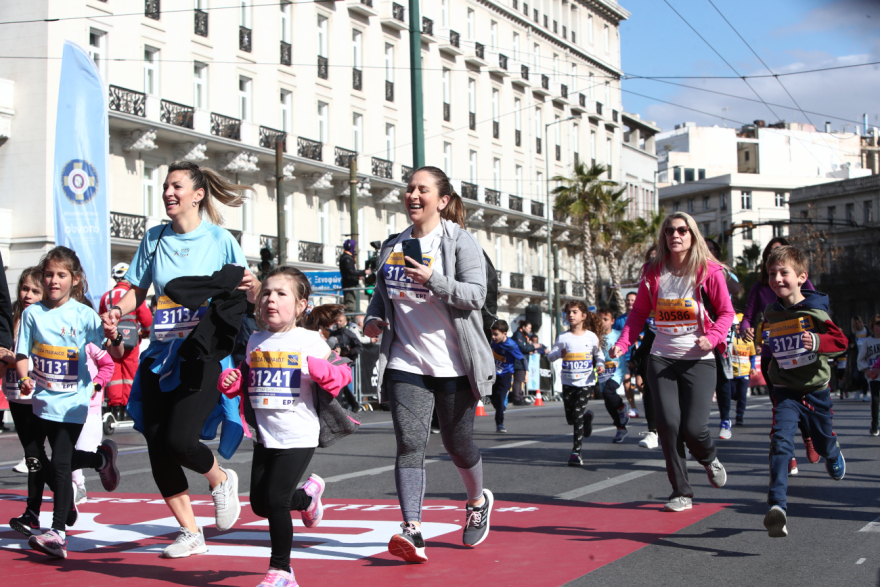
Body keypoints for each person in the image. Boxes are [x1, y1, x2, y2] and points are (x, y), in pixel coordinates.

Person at [100, 161, 257, 558]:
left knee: (181, 440)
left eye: (177, 186)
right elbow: (138, 288)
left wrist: (255, 288)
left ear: (198, 194)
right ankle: (190, 532)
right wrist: (120, 310)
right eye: (166, 186)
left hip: (202, 355)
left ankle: (220, 479)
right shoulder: (153, 239)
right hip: (160, 355)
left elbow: (246, 290)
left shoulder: (220, 240)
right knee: (156, 444)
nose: (169, 193)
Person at [364, 166, 495, 563]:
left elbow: (477, 295)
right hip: (406, 359)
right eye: (409, 189)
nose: (414, 196)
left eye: (423, 190)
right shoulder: (392, 245)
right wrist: (373, 317)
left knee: (457, 444)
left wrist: (434, 279)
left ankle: (476, 501)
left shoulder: (460, 242)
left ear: (442, 200)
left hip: (455, 362)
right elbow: (380, 293)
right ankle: (412, 530)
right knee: (409, 443)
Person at [218, 268, 349, 587]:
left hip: (298, 434)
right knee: (261, 504)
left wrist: (326, 374)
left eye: (281, 294)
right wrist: (233, 382)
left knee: (276, 501)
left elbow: (342, 372)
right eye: (266, 293)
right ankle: (308, 498)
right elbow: (247, 376)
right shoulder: (256, 339)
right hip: (265, 436)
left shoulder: (309, 341)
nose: (270, 299)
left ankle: (282, 571)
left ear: (302, 305)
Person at [611, 212, 734, 512]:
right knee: (668, 425)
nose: (675, 235)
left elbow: (727, 313)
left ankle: (709, 457)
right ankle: (681, 491)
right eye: (669, 231)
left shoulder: (709, 271)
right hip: (661, 358)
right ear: (664, 237)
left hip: (699, 360)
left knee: (694, 428)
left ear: (692, 235)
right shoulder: (654, 272)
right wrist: (622, 343)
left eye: (682, 230)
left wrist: (714, 337)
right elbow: (639, 314)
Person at [16, 247, 121, 558]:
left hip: (74, 404)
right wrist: (24, 377)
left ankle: (58, 532)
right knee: (42, 459)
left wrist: (113, 337)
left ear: (75, 280)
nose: (53, 281)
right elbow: (23, 354)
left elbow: (111, 355)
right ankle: (100, 459)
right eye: (49, 274)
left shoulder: (84, 316)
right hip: (41, 402)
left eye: (61, 275)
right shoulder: (33, 314)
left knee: (61, 463)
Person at [761, 245, 848, 538]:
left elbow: (841, 342)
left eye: (783, 273)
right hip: (785, 391)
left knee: (822, 444)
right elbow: (773, 347)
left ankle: (832, 451)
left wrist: (816, 341)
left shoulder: (815, 310)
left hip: (815, 392)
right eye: (772, 273)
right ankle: (778, 508)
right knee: (780, 442)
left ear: (801, 277)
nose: (777, 279)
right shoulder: (771, 312)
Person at [740, 237, 819, 471]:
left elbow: (818, 310)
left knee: (801, 402)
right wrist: (747, 329)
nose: (778, 274)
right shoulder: (760, 287)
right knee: (780, 406)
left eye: (783, 257)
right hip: (771, 355)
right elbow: (748, 316)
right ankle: (787, 454)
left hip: (800, 354)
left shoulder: (803, 284)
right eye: (771, 259)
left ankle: (808, 437)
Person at [4, 267, 59, 537]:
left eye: (35, 291)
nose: (28, 295)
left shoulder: (45, 318)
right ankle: (64, 497)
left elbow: (41, 358)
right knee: (35, 455)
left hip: (38, 396)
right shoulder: (13, 316)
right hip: (15, 395)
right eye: (25, 289)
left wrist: (12, 358)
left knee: (35, 454)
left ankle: (32, 512)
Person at [547, 301, 605, 466]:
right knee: (571, 418)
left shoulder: (591, 337)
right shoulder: (563, 337)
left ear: (583, 316)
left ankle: (576, 452)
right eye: (568, 313)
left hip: (586, 382)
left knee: (577, 413)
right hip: (568, 382)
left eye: (574, 312)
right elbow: (550, 356)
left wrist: (600, 364)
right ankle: (587, 418)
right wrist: (559, 353)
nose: (570, 315)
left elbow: (599, 354)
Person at [99, 262, 154, 421]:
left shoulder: (106, 296)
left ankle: (115, 408)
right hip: (132, 339)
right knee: (130, 372)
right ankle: (128, 407)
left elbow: (101, 318)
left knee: (114, 372)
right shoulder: (133, 295)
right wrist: (146, 332)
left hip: (112, 338)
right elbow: (146, 318)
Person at [597, 307, 631, 443]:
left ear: (612, 321)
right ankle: (621, 428)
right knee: (608, 401)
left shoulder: (618, 334)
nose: (602, 322)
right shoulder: (595, 337)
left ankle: (622, 407)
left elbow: (628, 344)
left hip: (617, 370)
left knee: (608, 392)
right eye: (600, 319)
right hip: (603, 371)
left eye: (605, 319)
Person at [490, 320, 523, 433]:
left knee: (500, 398)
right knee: (492, 397)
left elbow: (522, 358)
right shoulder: (492, 342)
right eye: (492, 334)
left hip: (505, 375)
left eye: (496, 334)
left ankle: (500, 424)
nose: (493, 337)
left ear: (504, 334)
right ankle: (501, 407)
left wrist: (525, 373)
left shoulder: (511, 345)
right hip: (493, 374)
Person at [614, 292, 639, 418]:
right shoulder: (620, 320)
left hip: (639, 355)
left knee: (640, 383)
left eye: (633, 300)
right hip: (625, 356)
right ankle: (633, 407)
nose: (630, 302)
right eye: (628, 300)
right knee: (626, 382)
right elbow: (614, 335)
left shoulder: (641, 318)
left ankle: (648, 403)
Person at [729, 315, 756, 427]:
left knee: (742, 396)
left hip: (744, 373)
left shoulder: (749, 341)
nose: (739, 327)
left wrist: (753, 367)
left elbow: (752, 355)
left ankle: (740, 415)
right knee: (732, 395)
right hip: (732, 373)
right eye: (737, 325)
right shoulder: (731, 340)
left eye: (741, 325)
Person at [856, 314, 880, 435]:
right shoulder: (867, 342)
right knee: (875, 400)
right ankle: (875, 426)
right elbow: (861, 359)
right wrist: (866, 371)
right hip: (873, 375)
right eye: (877, 324)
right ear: (872, 326)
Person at [339, 239, 371, 313]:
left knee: (352, 305)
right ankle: (348, 321)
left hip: (351, 283)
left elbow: (349, 272)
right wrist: (364, 272)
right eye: (355, 246)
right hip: (349, 285)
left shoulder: (348, 257)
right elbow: (350, 271)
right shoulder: (347, 258)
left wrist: (357, 277)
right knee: (350, 306)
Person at [511, 321, 536, 405]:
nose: (530, 330)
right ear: (524, 327)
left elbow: (526, 346)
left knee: (520, 379)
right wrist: (532, 347)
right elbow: (522, 347)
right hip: (518, 361)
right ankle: (516, 398)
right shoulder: (518, 335)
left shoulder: (525, 336)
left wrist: (531, 348)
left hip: (522, 361)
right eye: (529, 328)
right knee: (518, 380)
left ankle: (520, 396)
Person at [849, 316, 870, 401]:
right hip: (857, 357)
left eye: (859, 323)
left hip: (866, 357)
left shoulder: (867, 331)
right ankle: (858, 390)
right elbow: (849, 344)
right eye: (856, 324)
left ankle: (865, 394)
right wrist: (851, 346)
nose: (858, 325)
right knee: (855, 376)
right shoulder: (854, 334)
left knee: (864, 377)